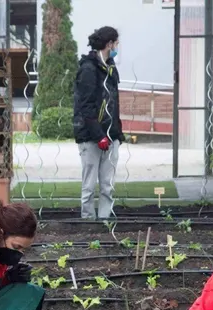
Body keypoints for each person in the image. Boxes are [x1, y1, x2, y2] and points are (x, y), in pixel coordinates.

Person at [73, 26, 125, 221]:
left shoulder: (110, 67)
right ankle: (87, 222)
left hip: (110, 136)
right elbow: (85, 107)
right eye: (116, 43)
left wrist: (116, 134)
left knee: (107, 184)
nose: (117, 47)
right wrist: (98, 135)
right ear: (108, 44)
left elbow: (113, 102)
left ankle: (105, 222)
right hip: (90, 138)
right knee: (88, 185)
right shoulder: (88, 69)